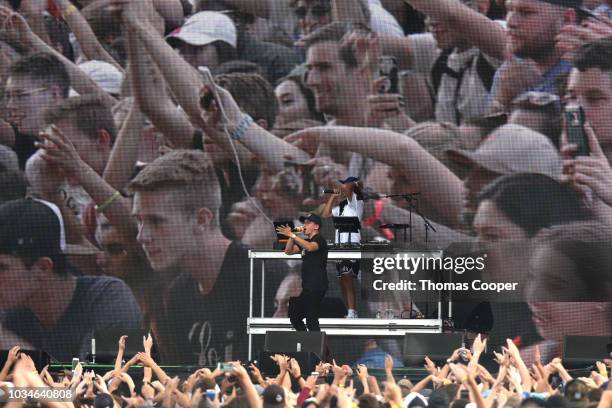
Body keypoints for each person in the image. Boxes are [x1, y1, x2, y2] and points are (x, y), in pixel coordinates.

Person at [129, 149, 251, 364]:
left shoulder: (260, 277)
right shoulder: (177, 295)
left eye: (156, 221)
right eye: (139, 221)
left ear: (202, 220)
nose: (142, 236)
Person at [0, 198, 141, 361]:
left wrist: (6, 342)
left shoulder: (114, 298)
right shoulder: (12, 312)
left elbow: (102, 383)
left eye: (2, 267)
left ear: (43, 267)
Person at [276, 213, 328, 331]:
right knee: (294, 315)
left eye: (308, 223)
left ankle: (316, 346)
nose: (304, 225)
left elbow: (310, 247)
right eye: (304, 223)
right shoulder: (305, 241)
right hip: (307, 286)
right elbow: (288, 251)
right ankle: (306, 340)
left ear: (316, 226)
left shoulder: (319, 239)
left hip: (317, 285)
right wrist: (291, 236)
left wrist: (293, 235)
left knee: (311, 319)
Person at [321, 176, 364, 318]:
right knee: (343, 281)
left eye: (345, 185)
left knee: (347, 277)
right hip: (340, 248)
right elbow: (325, 214)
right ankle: (350, 311)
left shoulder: (356, 203)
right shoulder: (340, 208)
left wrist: (342, 187)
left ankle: (353, 311)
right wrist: (333, 197)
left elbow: (351, 187)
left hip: (351, 247)